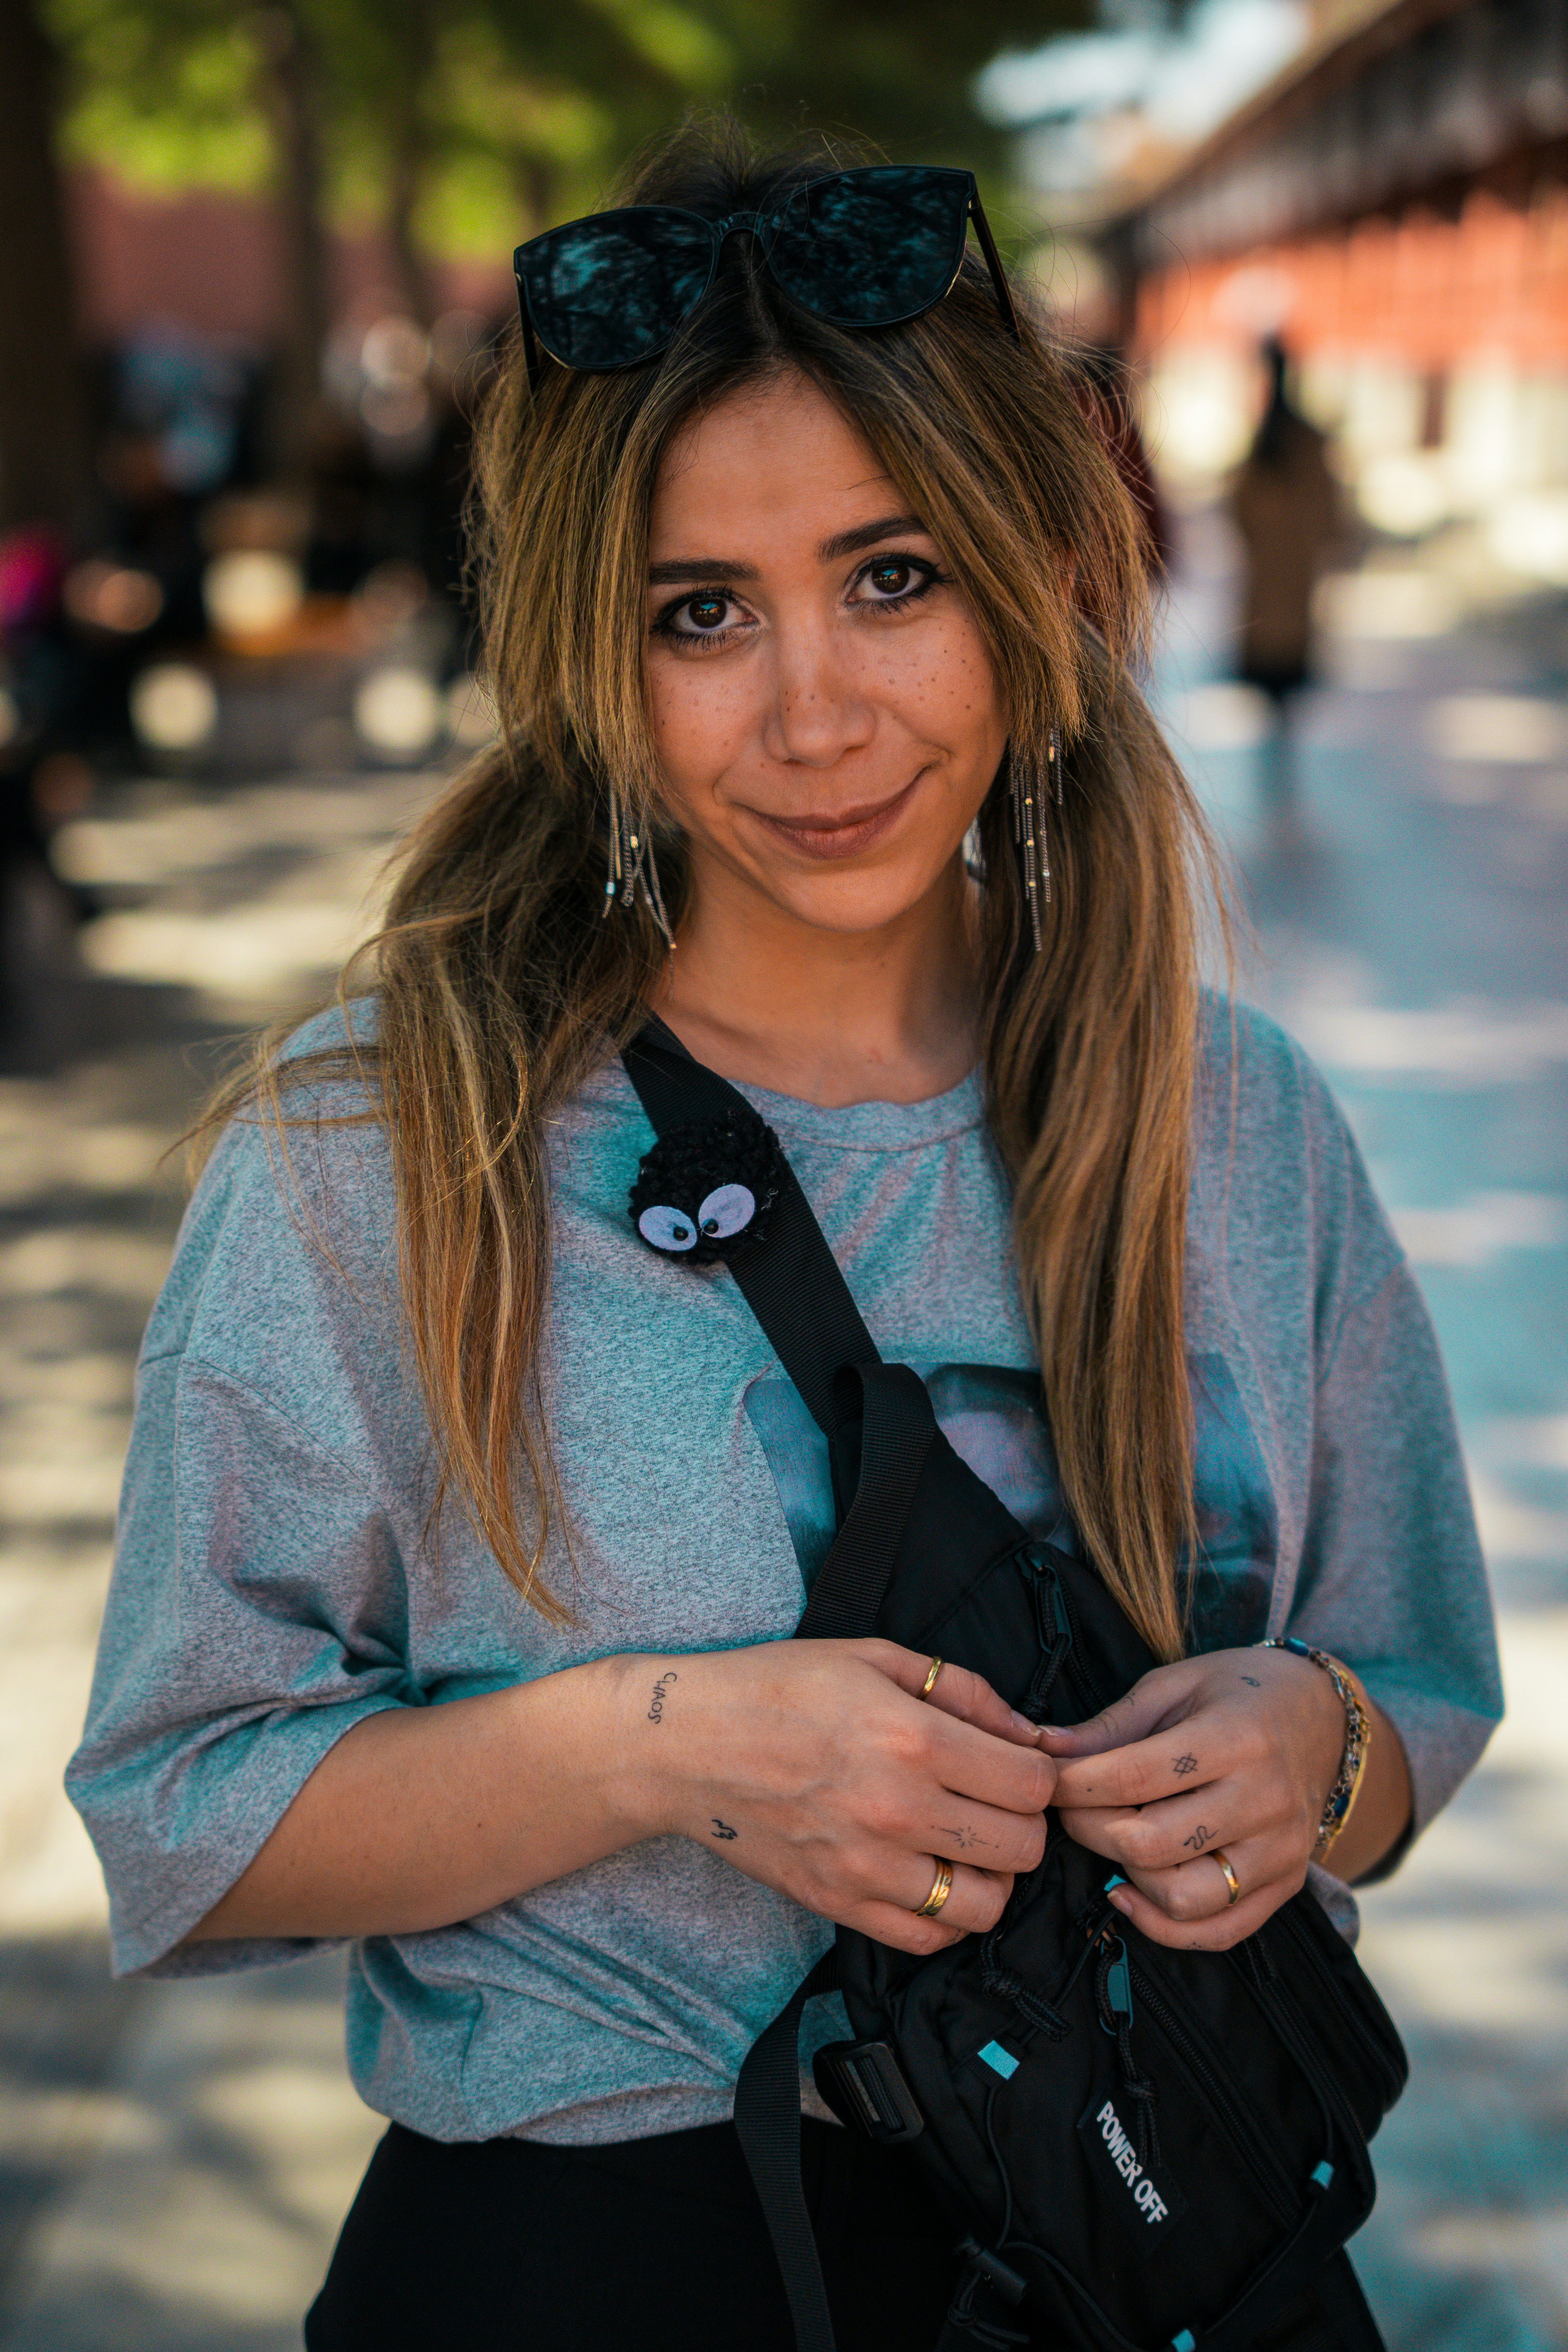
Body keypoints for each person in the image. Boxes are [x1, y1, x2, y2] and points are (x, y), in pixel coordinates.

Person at [68, 127, 1500, 2351]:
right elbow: (180, 1812)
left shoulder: (1241, 1127)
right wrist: (663, 1751)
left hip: (1170, 2252)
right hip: (596, 2276)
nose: (813, 710)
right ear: (583, 655)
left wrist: (1307, 1752)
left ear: (1035, 572)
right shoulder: (382, 1155)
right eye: (699, 614)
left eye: (894, 575)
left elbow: (1407, 1706)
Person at [1227, 335, 1345, 814]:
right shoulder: (1306, 442)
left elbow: (1239, 511)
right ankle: (1282, 768)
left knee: (1273, 687)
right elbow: (1331, 520)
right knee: (1285, 691)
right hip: (1293, 587)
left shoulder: (1266, 441)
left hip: (1270, 587)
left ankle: (1276, 769)